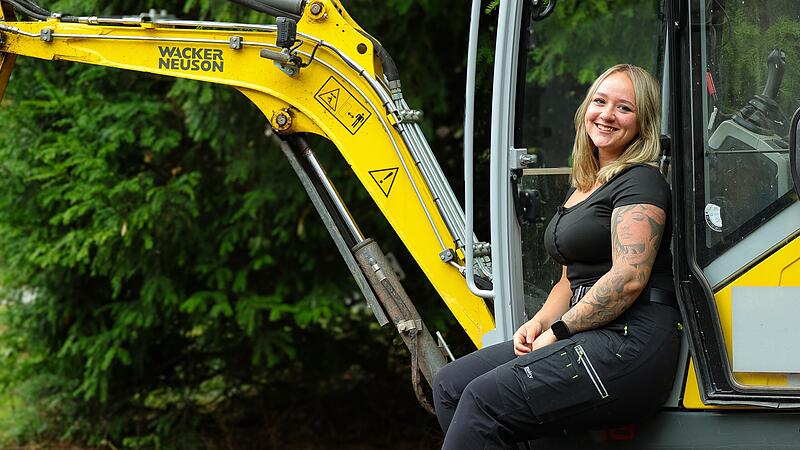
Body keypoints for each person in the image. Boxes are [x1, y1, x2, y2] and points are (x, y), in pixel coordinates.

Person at [432, 64, 681, 449]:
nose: (607, 114)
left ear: (643, 123)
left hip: (629, 342)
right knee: (451, 385)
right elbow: (569, 281)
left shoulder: (640, 180)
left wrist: (558, 331)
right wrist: (538, 323)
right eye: (600, 101)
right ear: (585, 109)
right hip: (585, 333)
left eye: (624, 108)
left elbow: (629, 277)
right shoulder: (586, 185)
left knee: (483, 402)